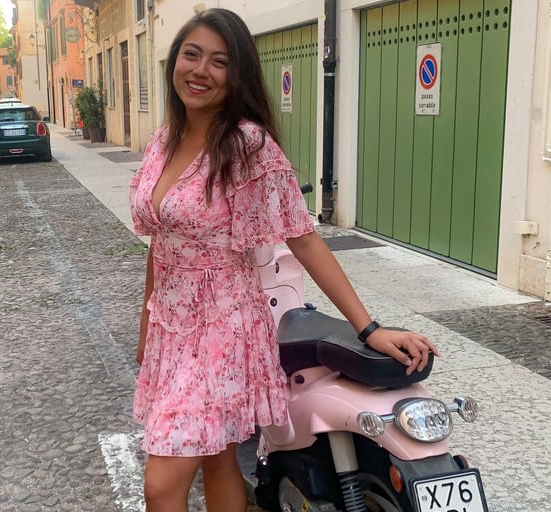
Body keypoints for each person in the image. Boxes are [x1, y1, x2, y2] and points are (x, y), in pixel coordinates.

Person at [128, 8, 440, 512]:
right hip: (172, 327)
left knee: (162, 485)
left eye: (219, 61)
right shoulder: (163, 141)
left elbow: (305, 239)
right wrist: (147, 327)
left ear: (238, 75)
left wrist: (369, 329)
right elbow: (162, 246)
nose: (200, 70)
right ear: (175, 61)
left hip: (222, 328)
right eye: (191, 54)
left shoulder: (247, 146)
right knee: (219, 458)